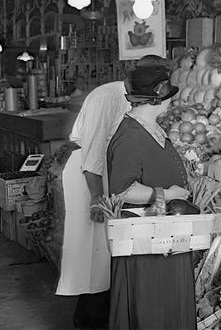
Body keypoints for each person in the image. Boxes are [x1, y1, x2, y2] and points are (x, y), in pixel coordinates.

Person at [56, 55, 170, 330]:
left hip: (105, 170)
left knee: (108, 251)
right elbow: (93, 152)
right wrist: (96, 197)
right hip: (89, 173)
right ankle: (88, 320)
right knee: (93, 253)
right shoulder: (110, 97)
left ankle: (107, 316)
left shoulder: (133, 99)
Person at [107, 65, 194, 330]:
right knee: (153, 304)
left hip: (163, 232)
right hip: (145, 243)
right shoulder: (130, 137)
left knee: (168, 301)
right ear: (157, 97)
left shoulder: (149, 127)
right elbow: (120, 191)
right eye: (168, 95)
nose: (172, 100)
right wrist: (167, 194)